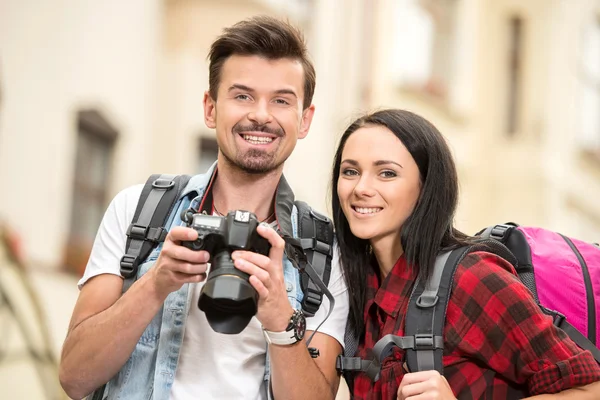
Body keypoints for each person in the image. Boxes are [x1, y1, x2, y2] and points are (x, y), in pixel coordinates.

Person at [59, 16, 348, 400]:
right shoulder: (139, 210)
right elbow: (74, 377)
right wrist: (156, 283)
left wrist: (281, 317)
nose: (261, 114)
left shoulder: (323, 251)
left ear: (304, 119)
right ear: (210, 109)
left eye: (281, 100)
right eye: (242, 95)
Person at [330, 109, 600, 399]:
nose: (361, 188)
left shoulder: (471, 277)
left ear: (425, 188)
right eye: (351, 171)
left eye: (387, 173)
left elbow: (590, 389)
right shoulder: (355, 289)